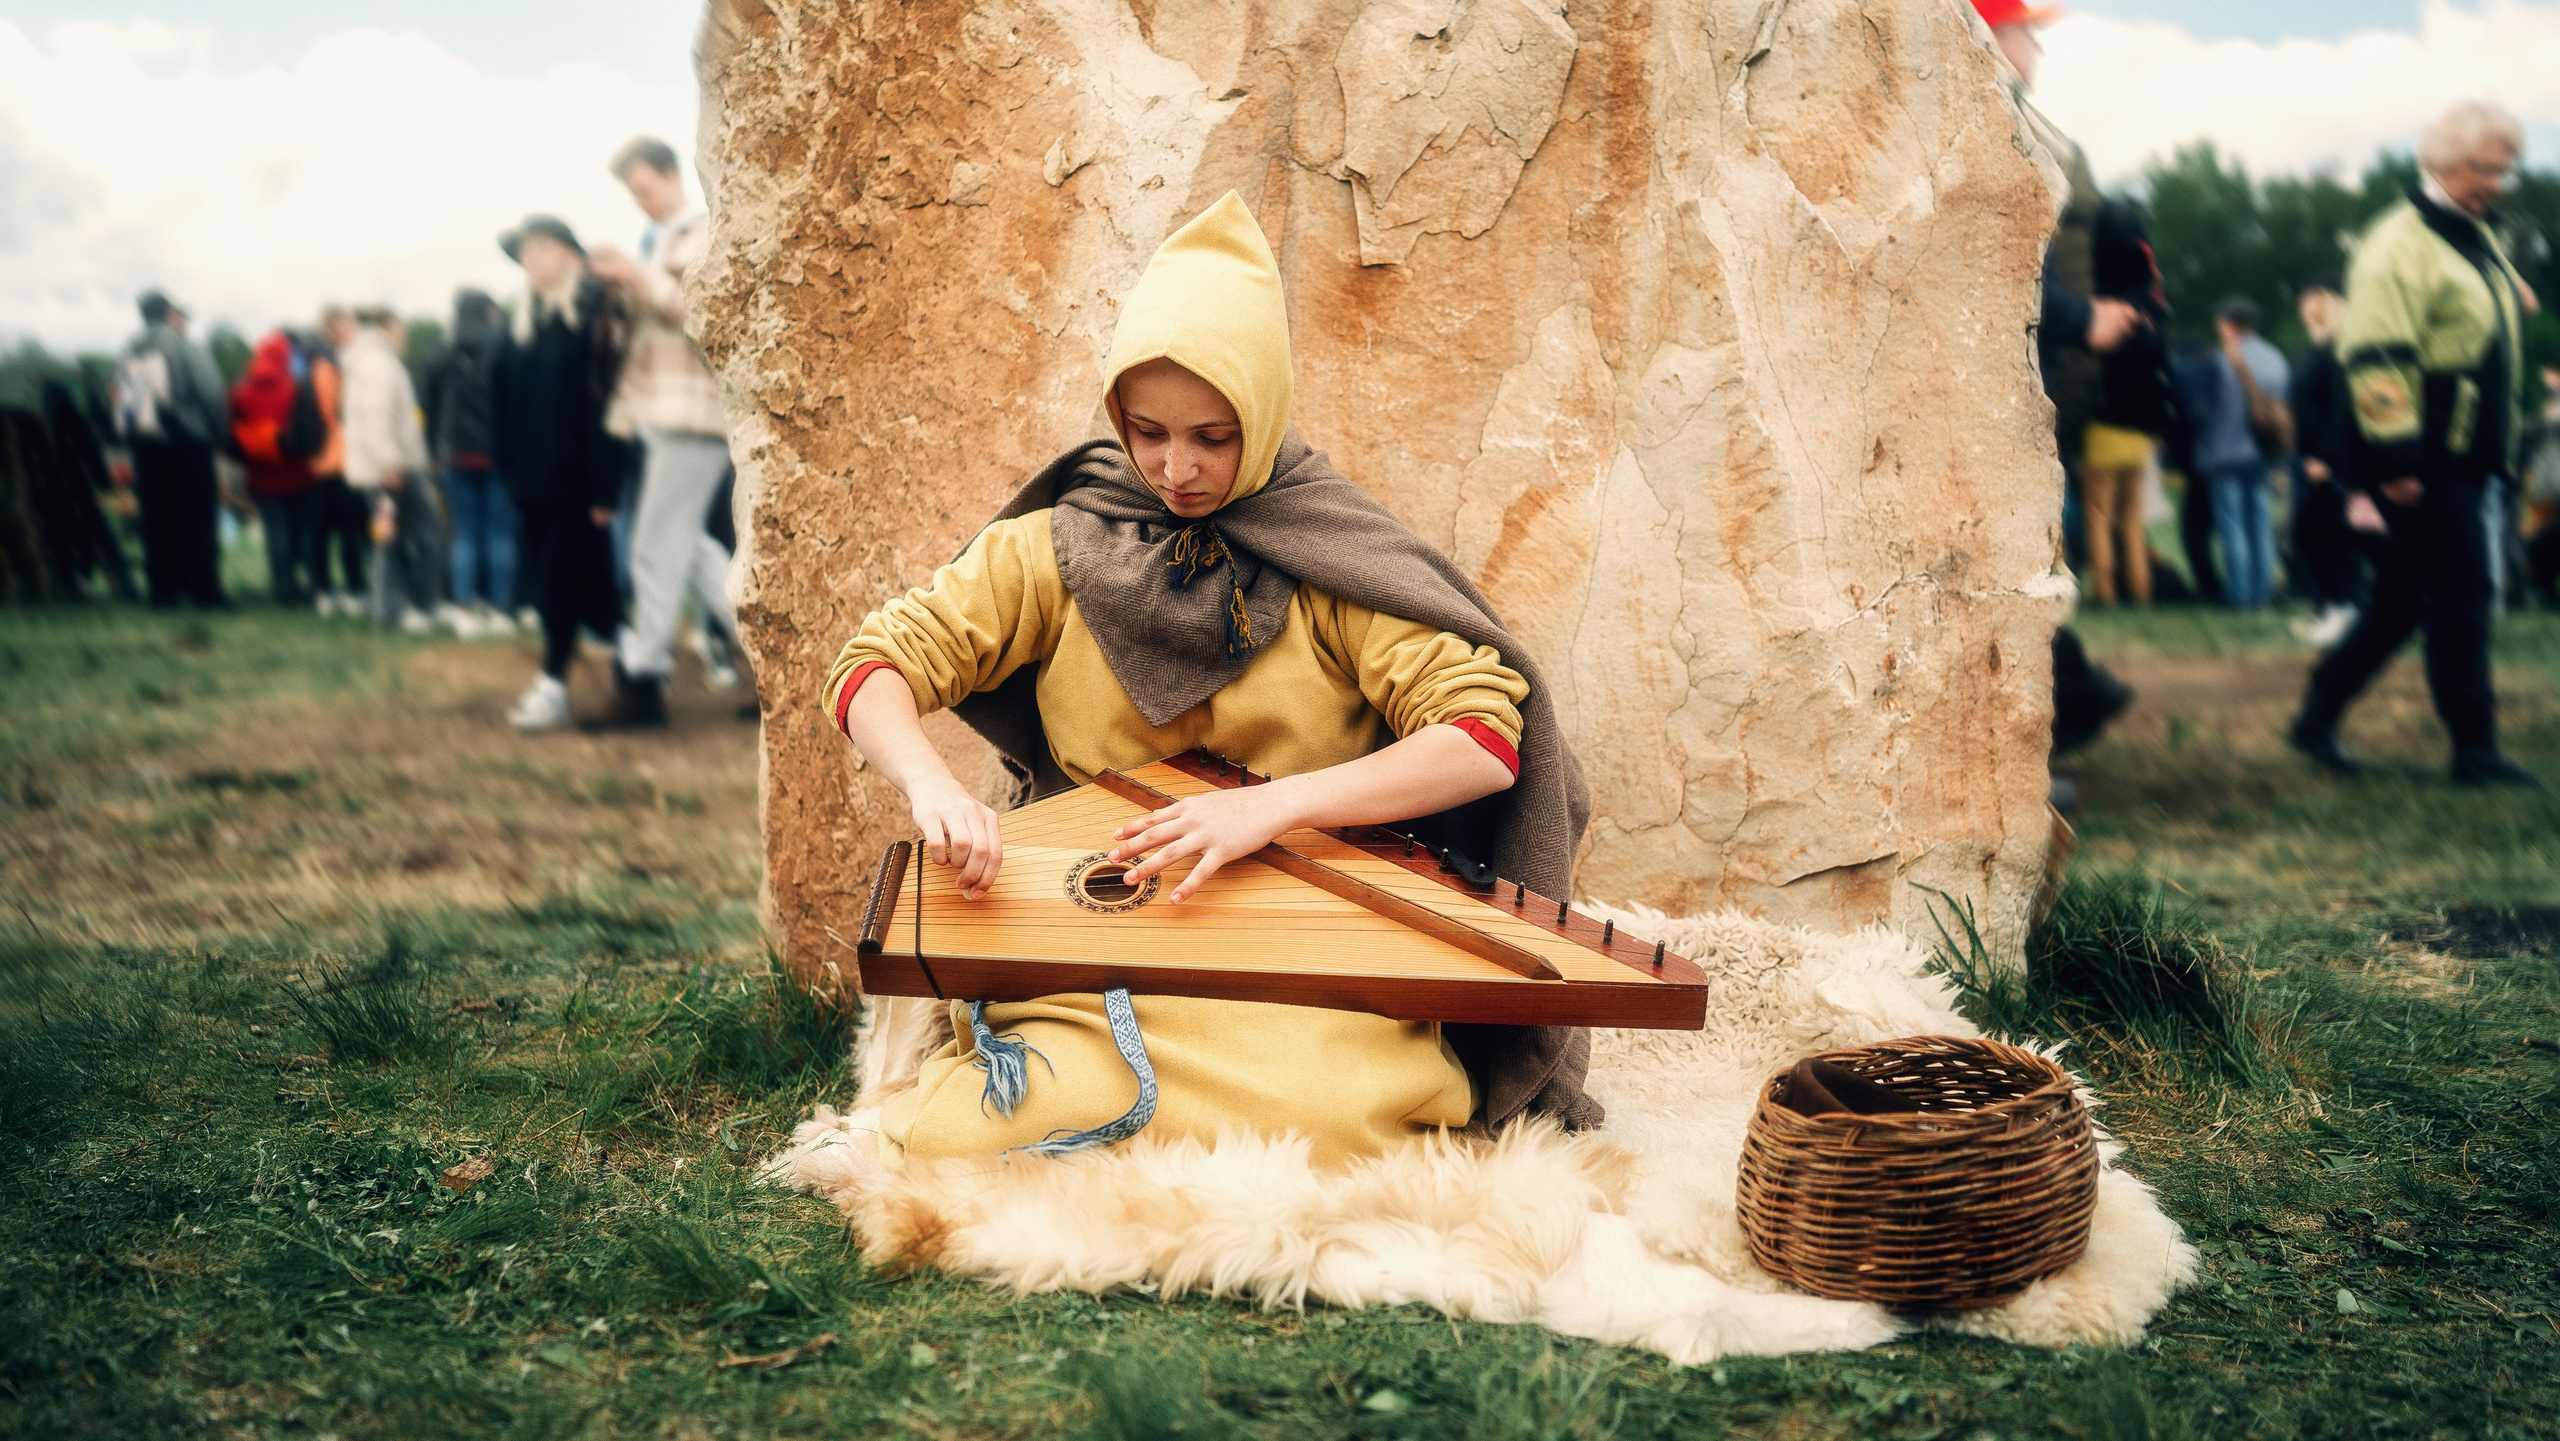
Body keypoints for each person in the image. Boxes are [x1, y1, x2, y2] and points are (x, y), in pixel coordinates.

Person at [830, 194, 1597, 1169]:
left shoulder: (1334, 554)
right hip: (1098, 931)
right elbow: (875, 664)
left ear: (1264, 411)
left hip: (1306, 930)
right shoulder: (1056, 545)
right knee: (960, 1124)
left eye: (1213, 436)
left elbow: (1483, 740)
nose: (1175, 468)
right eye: (1146, 430)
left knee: (1346, 1112)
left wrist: (1269, 811)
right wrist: (930, 785)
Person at [2291, 101, 2541, 788]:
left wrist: (2507, 292)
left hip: (2460, 449)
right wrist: (2398, 462)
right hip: (2421, 455)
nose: (2498, 181)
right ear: (2444, 164)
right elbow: (2375, 356)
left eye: (2503, 169)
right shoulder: (2394, 246)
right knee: (2466, 590)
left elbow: (2474, 291)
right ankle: (2475, 747)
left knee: (2404, 599)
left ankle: (2317, 713)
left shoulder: (2470, 233)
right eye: (2486, 169)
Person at [1974, 0, 2135, 771]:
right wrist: (2080, 318)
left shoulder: (2019, 121)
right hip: (2001, 378)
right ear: (1987, 35)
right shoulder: (1977, 118)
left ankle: (2062, 702)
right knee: (2009, 560)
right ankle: (2056, 709)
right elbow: (1996, 255)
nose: (2036, 46)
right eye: (2024, 31)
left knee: (2023, 554)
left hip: (2042, 378)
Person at [587, 136, 749, 726]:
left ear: (668, 174)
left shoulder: (706, 230)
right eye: (633, 194)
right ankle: (770, 664)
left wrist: (637, 277)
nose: (640, 203)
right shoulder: (665, 242)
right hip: (663, 412)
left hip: (691, 414)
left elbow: (704, 314)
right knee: (697, 551)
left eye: (644, 189)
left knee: (655, 550)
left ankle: (642, 680)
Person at [493, 215, 628, 732]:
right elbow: (500, 402)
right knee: (585, 585)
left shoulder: (594, 315)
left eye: (545, 249)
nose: (534, 260)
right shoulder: (518, 325)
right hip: (530, 484)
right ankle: (635, 668)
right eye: (527, 252)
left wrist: (605, 484)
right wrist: (509, 468)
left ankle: (552, 684)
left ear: (572, 255)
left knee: (560, 585)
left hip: (578, 482)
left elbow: (606, 408)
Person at [114, 291, 230, 608]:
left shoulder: (128, 349)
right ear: (168, 313)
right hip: (188, 443)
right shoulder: (185, 346)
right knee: (197, 518)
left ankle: (163, 591)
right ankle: (204, 591)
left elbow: (122, 400)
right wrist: (219, 433)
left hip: (146, 445)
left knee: (156, 518)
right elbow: (211, 393)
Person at [2288, 274, 2379, 647]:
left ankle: (2344, 608)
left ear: (2329, 300)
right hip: (2310, 457)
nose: (2305, 306)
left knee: (2317, 531)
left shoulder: (2341, 347)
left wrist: (2325, 457)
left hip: (2330, 460)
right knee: (2317, 531)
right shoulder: (2316, 347)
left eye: (2311, 297)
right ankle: (2334, 608)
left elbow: (2342, 409)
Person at [420, 288, 517, 635]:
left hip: (453, 454)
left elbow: (426, 405)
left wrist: (431, 451)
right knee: (500, 533)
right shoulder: (502, 346)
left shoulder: (439, 351)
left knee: (465, 533)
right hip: (497, 454)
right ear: (488, 310)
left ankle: (465, 610)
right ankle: (501, 610)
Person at [339, 308, 438, 630]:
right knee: (416, 535)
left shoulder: (368, 361)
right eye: (400, 325)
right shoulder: (379, 363)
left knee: (387, 537)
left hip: (382, 468)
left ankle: (396, 607)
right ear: (386, 327)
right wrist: (389, 463)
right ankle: (405, 608)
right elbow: (377, 417)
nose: (405, 332)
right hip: (392, 470)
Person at [2189, 298, 2290, 612]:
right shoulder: (2276, 358)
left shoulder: (2220, 361)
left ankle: (2241, 596)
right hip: (2263, 453)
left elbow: (2204, 411)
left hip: (2224, 453)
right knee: (2260, 522)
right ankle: (2262, 595)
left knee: (2231, 525)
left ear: (2228, 325)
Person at [227, 330, 324, 604]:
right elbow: (309, 432)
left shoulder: (239, 391)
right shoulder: (296, 388)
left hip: (261, 474)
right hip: (298, 473)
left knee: (276, 531)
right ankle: (312, 582)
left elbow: (230, 434)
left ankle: (283, 585)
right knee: (304, 530)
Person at [303, 312, 361, 615]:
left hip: (325, 460)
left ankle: (328, 588)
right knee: (341, 529)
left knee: (326, 531)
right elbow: (330, 412)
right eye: (348, 326)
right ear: (334, 330)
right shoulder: (328, 364)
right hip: (336, 459)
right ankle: (338, 589)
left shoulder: (318, 361)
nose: (353, 332)